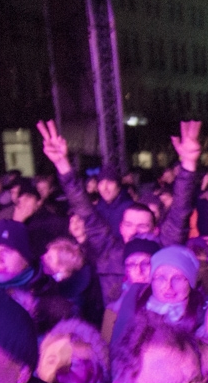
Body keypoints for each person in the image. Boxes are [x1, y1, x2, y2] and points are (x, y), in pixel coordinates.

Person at [40, 120, 197, 304]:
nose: (135, 231)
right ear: (121, 228)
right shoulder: (108, 251)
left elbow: (180, 210)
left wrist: (188, 164)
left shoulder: (163, 251)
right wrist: (62, 164)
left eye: (143, 226)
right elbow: (85, 210)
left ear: (155, 230)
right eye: (129, 225)